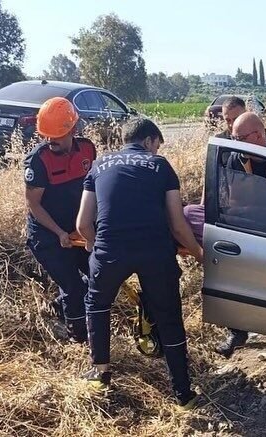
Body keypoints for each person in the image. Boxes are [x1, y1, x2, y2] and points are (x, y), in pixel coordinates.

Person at [76, 118, 203, 410]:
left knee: (97, 305)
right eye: (157, 145)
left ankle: (100, 374)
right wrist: (199, 253)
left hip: (110, 250)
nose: (157, 151)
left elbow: (82, 223)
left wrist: (95, 245)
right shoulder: (161, 166)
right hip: (154, 251)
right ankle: (183, 393)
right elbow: (177, 224)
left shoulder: (98, 165)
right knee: (169, 317)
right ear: (148, 141)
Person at [205, 112, 266, 358]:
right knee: (237, 281)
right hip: (245, 227)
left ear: (259, 135)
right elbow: (227, 195)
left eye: (240, 138)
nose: (236, 143)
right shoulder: (235, 158)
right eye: (233, 138)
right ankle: (237, 332)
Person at [24, 97, 96, 343]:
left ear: (73, 130)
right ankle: (78, 339)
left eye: (57, 137)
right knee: (72, 288)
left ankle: (58, 306)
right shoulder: (38, 160)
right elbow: (34, 204)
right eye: (47, 136)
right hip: (48, 235)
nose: (51, 141)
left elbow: (93, 189)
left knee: (101, 275)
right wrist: (59, 233)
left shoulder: (87, 149)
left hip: (78, 230)